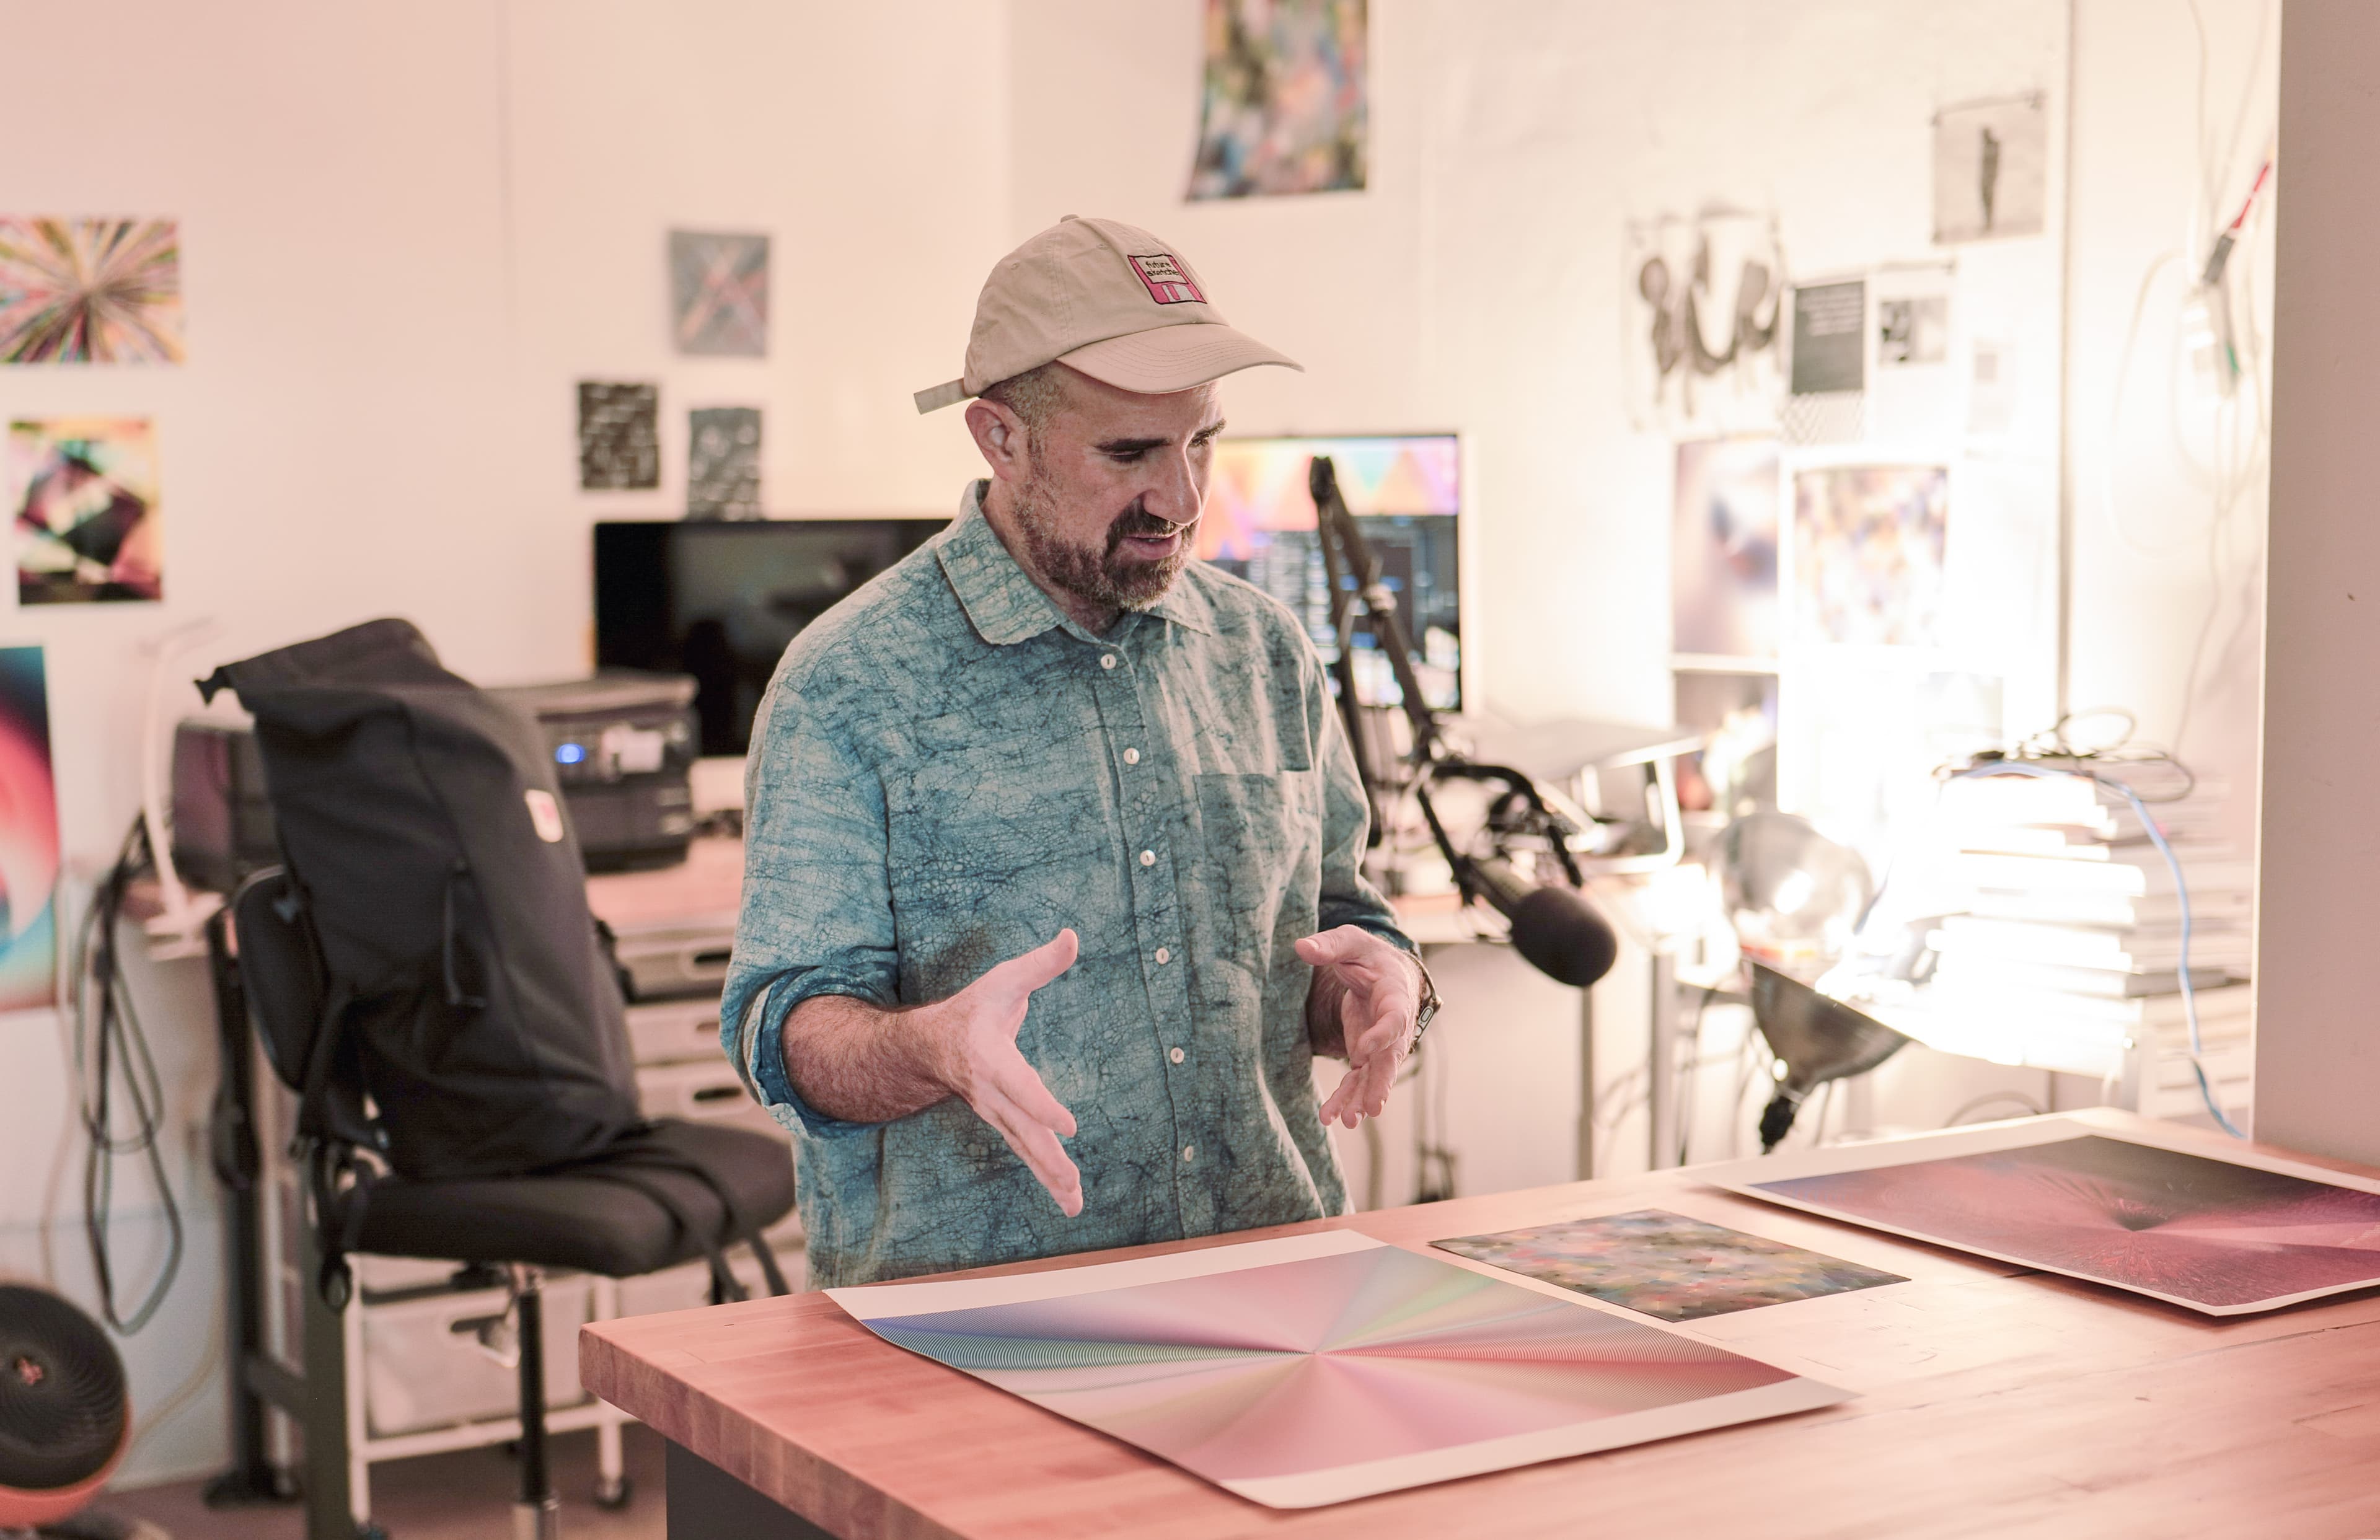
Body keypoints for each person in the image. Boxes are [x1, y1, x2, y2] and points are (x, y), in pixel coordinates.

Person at [723, 216, 1437, 1288]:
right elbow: (779, 1031)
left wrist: (1383, 986)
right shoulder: (849, 685)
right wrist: (931, 1048)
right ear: (999, 438)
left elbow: (1331, 931)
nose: (1183, 498)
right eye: (1130, 452)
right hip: (976, 1326)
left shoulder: (1264, 651)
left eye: (1202, 441)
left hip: (1272, 1279)